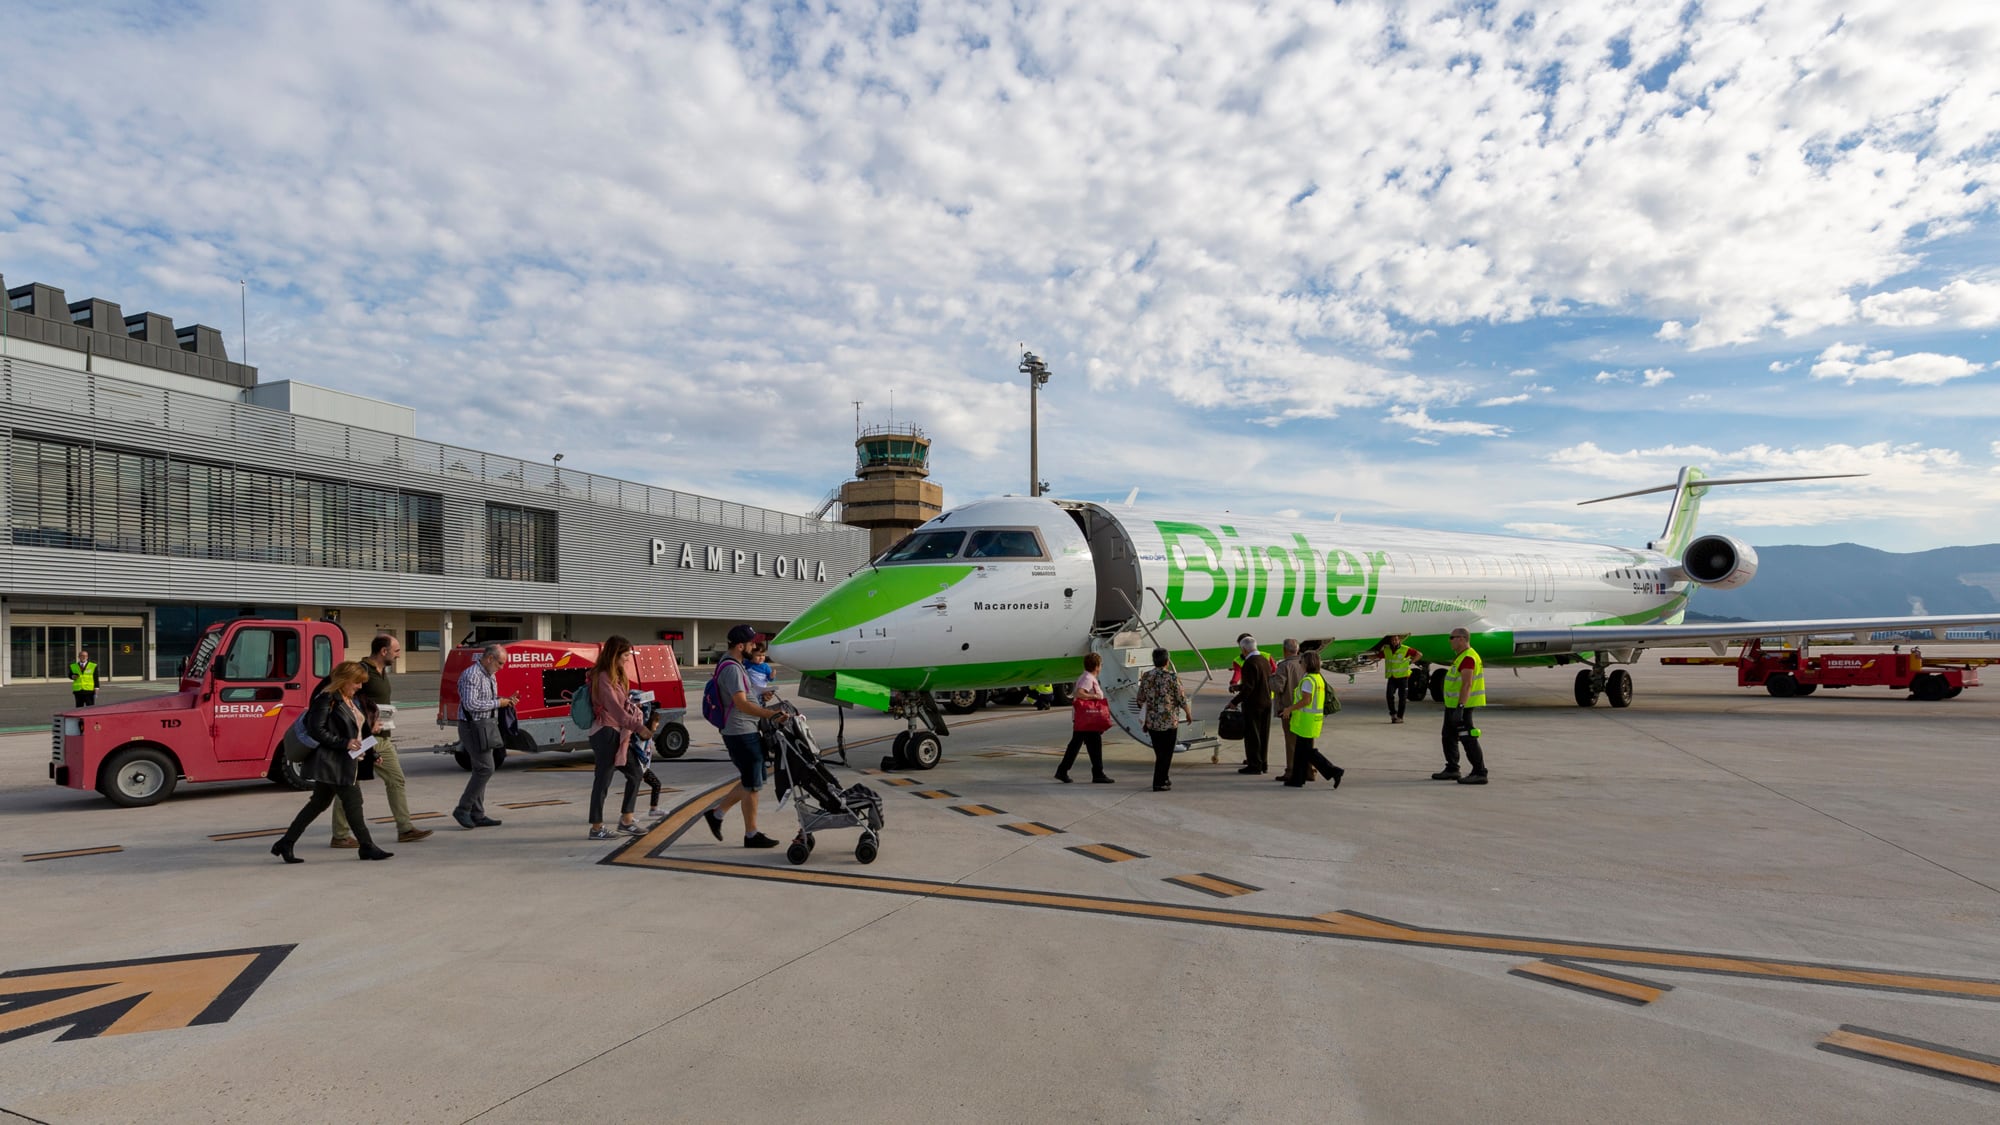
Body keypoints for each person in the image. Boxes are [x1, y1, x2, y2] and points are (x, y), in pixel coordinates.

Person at [271, 661, 392, 863]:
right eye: (356, 682)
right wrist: (344, 743)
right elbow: (316, 730)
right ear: (344, 680)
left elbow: (359, 731)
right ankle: (367, 846)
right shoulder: (327, 699)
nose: (359, 686)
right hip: (333, 763)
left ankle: (286, 842)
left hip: (344, 761)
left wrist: (371, 754)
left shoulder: (351, 699)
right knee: (353, 803)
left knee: (318, 804)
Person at [331, 634, 432, 849]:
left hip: (383, 738)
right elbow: (345, 700)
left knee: (396, 780)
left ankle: (405, 829)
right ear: (383, 651)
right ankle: (340, 835)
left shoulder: (381, 671)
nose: (398, 655)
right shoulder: (362, 671)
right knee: (350, 785)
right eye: (396, 651)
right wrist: (366, 724)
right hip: (363, 738)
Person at [702, 625, 789, 848]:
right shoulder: (732, 668)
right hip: (740, 731)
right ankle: (750, 834)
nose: (754, 646)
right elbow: (741, 703)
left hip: (744, 729)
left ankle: (718, 815)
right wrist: (771, 715)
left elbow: (743, 697)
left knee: (753, 780)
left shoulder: (734, 664)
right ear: (741, 646)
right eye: (751, 643)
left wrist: (761, 696)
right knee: (752, 782)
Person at [587, 635, 659, 840]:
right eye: (625, 655)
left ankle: (626, 820)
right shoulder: (603, 677)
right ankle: (596, 828)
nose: (628, 659)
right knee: (603, 780)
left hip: (618, 733)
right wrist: (639, 727)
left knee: (635, 773)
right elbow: (615, 710)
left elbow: (621, 706)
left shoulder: (615, 676)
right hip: (606, 733)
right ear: (614, 655)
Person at [453, 643, 518, 830]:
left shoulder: (489, 675)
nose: (502, 667)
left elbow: (485, 700)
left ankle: (477, 814)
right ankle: (463, 808)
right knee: (486, 768)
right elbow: (471, 704)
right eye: (500, 663)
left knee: (480, 769)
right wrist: (499, 703)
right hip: (472, 726)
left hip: (484, 725)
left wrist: (505, 701)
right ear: (489, 658)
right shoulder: (472, 675)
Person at [1433, 627, 1489, 785]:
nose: (1449, 641)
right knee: (1448, 736)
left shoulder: (1468, 658)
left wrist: (1461, 707)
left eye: (1452, 638)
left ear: (1462, 639)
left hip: (1462, 706)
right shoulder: (1460, 657)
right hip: (1452, 705)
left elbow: (1467, 684)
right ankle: (1452, 768)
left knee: (1467, 737)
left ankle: (1480, 772)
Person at [1284, 650, 1345, 788]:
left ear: (1307, 663)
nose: (1300, 664)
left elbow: (1306, 700)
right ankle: (1298, 779)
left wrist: (1289, 709)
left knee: (1306, 751)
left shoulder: (1308, 681)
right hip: (1313, 719)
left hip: (1305, 720)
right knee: (1301, 751)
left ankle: (1333, 771)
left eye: (1301, 662)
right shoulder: (1318, 678)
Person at [1134, 647, 1192, 792]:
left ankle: (1164, 778)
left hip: (1152, 721)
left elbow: (1140, 699)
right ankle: (1159, 782)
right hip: (1169, 721)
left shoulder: (1146, 676)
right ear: (1167, 661)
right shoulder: (1172, 677)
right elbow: (1181, 698)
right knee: (1166, 753)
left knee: (1160, 752)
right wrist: (1188, 713)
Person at [1055, 653, 1114, 784]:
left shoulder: (1087, 677)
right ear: (1096, 666)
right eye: (1100, 664)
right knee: (1089, 744)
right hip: (1087, 718)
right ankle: (1096, 773)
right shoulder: (1088, 678)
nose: (1101, 667)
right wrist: (1095, 696)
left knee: (1082, 744)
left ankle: (1065, 770)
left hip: (1085, 718)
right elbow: (1079, 693)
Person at [1229, 633, 1272, 774]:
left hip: (1254, 704)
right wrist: (1238, 687)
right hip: (1266, 702)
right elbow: (1258, 681)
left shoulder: (1249, 663)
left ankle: (1254, 765)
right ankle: (1263, 763)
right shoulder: (1264, 660)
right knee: (1263, 734)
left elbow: (1249, 687)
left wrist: (1234, 702)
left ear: (1244, 649)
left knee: (1252, 735)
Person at [1270, 639, 1304, 783]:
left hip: (1288, 709)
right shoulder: (1304, 664)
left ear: (1285, 650)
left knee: (1291, 742)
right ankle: (1309, 770)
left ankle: (1291, 771)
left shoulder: (1284, 666)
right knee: (1305, 742)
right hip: (1305, 709)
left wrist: (1271, 678)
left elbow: (1278, 687)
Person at [1377, 634, 1423, 724]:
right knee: (1389, 696)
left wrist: (1411, 662)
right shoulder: (1387, 650)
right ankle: (1393, 714)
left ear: (1399, 640)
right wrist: (1365, 657)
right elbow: (1378, 656)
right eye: (1392, 640)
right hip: (1392, 677)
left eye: (1396, 640)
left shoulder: (1405, 649)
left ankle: (1400, 717)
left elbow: (1419, 654)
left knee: (1402, 698)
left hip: (1403, 677)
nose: (1394, 641)